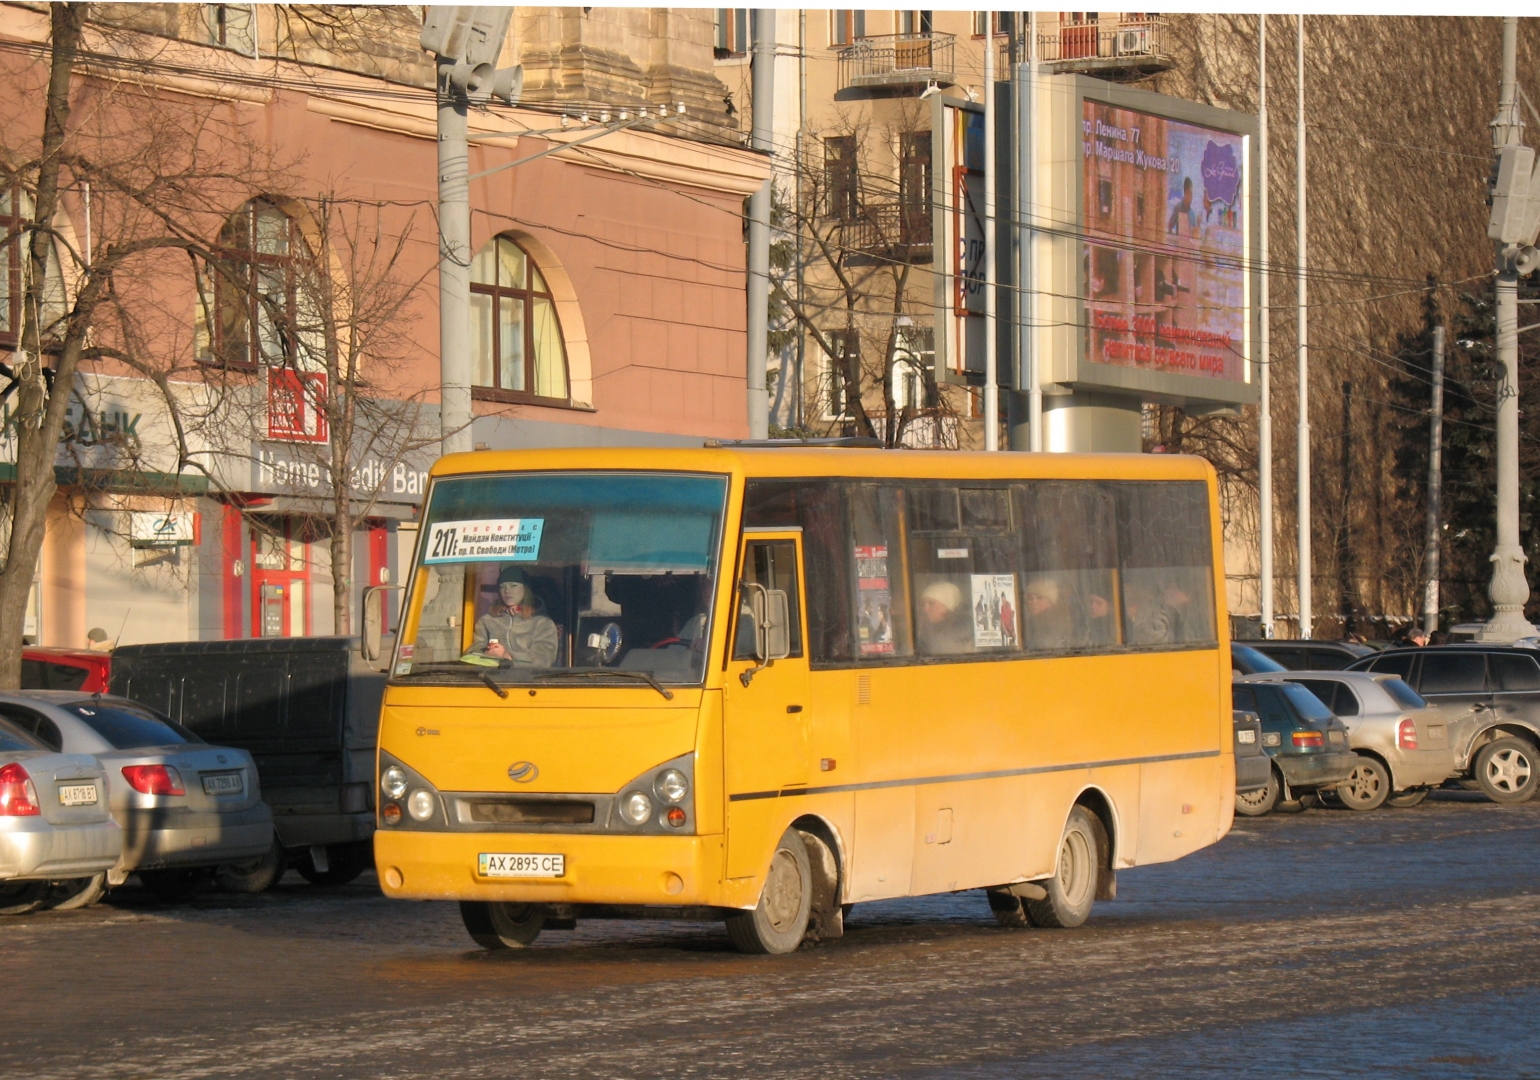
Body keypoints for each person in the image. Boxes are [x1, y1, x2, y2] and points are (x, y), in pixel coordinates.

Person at [470, 566, 560, 667]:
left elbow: (544, 658)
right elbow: (472, 652)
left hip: (527, 681)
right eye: (502, 586)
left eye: (513, 585)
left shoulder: (542, 622)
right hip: (489, 680)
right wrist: (487, 653)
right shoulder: (487, 621)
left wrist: (508, 656)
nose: (507, 590)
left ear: (525, 589)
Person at [917, 580, 973, 655]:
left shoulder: (966, 631)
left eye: (931, 603)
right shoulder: (921, 631)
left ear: (947, 605)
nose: (925, 609)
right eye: (923, 604)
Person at [1022, 577, 1073, 651]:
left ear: (1051, 601)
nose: (1033, 602)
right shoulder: (1026, 625)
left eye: (1039, 597)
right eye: (1030, 598)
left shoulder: (1060, 623)